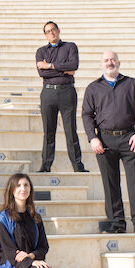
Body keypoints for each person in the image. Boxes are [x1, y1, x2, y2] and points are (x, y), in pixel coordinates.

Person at [82, 51, 135, 234]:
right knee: (110, 183)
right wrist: (92, 138)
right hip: (104, 141)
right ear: (101, 65)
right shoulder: (93, 88)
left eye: (112, 59)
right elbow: (87, 115)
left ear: (119, 62)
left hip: (130, 139)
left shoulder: (132, 84)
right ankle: (117, 224)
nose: (110, 62)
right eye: (106, 60)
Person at [36, 21, 87, 173]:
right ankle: (46, 165)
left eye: (53, 29)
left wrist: (50, 65)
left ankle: (78, 166)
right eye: (48, 31)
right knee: (48, 131)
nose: (51, 32)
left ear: (58, 30)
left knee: (71, 130)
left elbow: (74, 65)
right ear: (45, 35)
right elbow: (42, 73)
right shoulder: (41, 51)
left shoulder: (70, 46)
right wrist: (64, 69)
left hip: (67, 92)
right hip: (48, 93)